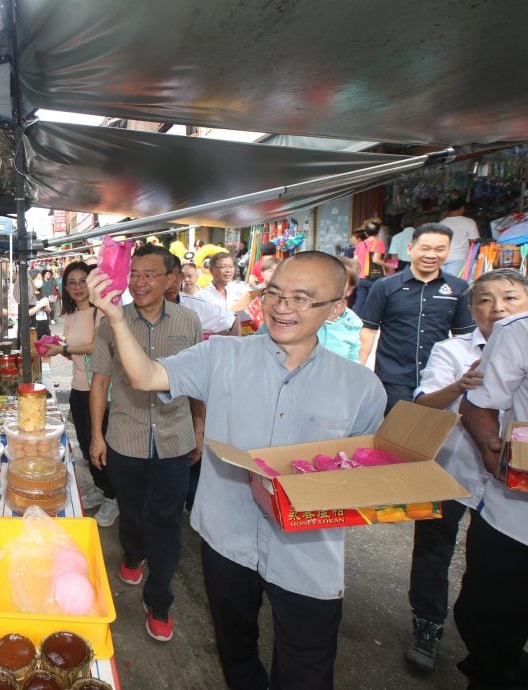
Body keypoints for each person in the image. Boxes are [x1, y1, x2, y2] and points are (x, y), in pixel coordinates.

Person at [88, 250, 386, 689]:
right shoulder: (222, 355)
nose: (283, 307)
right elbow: (147, 376)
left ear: (337, 307)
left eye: (302, 298)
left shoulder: (361, 388)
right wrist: (115, 317)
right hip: (228, 540)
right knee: (236, 652)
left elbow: (359, 473)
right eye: (275, 294)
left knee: (307, 668)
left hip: (308, 555)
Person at [402, 269, 528, 674]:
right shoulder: (452, 350)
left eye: (510, 298)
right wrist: (460, 385)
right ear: (471, 309)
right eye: (485, 301)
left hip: (509, 492)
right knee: (433, 552)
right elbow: (422, 407)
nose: (498, 309)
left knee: (489, 566)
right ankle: (427, 625)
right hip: (451, 472)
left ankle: (485, 634)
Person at [88, 244, 203, 643]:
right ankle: (133, 553)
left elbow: (198, 384)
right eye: (134, 273)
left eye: (150, 274)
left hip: (174, 439)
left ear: (171, 279)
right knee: (133, 511)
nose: (139, 282)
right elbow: (100, 381)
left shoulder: (189, 322)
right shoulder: (110, 322)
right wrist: (97, 435)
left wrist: (199, 429)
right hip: (126, 436)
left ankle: (159, 601)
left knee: (168, 521)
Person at [457, 304, 528, 689]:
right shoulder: (518, 331)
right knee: (490, 640)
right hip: (515, 523)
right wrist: (490, 445)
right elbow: (480, 404)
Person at [358, 223, 474, 412]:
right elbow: (368, 330)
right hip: (393, 377)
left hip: (439, 379)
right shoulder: (385, 286)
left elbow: (463, 337)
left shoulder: (459, 288)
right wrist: (360, 369)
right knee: (395, 433)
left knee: (431, 435)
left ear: (448, 252)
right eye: (425, 248)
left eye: (440, 249)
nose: (431, 255)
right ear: (410, 249)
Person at [46, 261, 118, 527]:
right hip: (78, 388)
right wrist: (53, 346)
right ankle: (101, 488)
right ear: (65, 287)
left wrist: (62, 349)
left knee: (103, 445)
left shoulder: (102, 313)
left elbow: (96, 346)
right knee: (88, 444)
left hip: (100, 389)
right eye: (71, 283)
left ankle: (114, 496)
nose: (77, 287)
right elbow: (72, 350)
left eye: (82, 281)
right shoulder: (71, 316)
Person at [352, 221, 389, 316]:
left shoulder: (360, 244)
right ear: (378, 232)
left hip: (361, 277)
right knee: (374, 300)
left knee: (360, 300)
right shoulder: (379, 243)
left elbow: (355, 261)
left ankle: (357, 321)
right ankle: (370, 320)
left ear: (365, 233)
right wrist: (388, 265)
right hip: (373, 276)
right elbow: (376, 260)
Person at [439, 197, 479, 277]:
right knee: (452, 284)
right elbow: (474, 239)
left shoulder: (441, 223)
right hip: (458, 257)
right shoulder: (468, 222)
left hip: (441, 257)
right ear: (462, 208)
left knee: (441, 283)